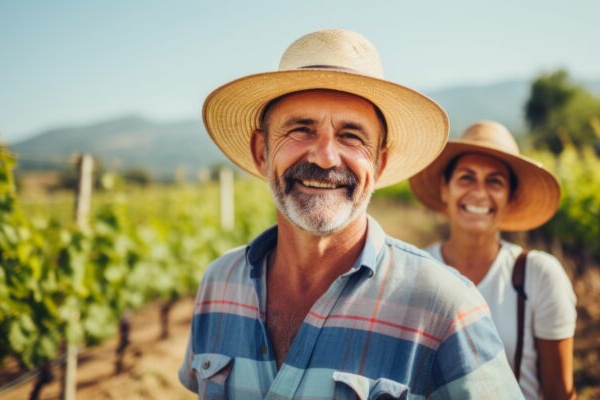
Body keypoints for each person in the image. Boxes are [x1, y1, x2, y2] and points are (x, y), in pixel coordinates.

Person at [178, 29, 523, 398]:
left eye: (351, 136)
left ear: (380, 162)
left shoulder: (446, 307)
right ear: (261, 151)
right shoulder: (218, 284)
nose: (324, 156)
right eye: (300, 129)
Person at [409, 121, 577, 400]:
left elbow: (560, 393)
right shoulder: (415, 272)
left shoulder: (537, 275)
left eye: (495, 181)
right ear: (444, 189)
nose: (479, 192)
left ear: (510, 199)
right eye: (466, 177)